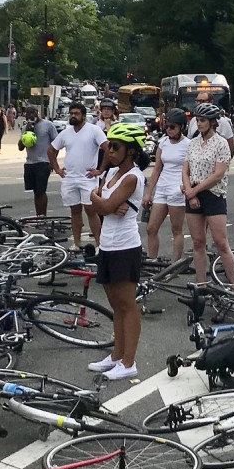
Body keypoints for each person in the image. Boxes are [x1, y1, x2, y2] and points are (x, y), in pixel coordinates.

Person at [87, 123, 150, 381]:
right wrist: (100, 200)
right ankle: (116, 355)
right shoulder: (110, 173)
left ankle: (129, 362)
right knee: (115, 305)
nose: (109, 150)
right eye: (109, 145)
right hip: (108, 245)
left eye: (116, 147)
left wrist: (101, 201)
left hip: (125, 247)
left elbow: (102, 206)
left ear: (131, 151)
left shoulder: (132, 177)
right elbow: (101, 205)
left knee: (127, 305)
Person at [182, 102, 234, 286]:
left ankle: (233, 284)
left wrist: (194, 191)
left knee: (221, 242)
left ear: (213, 122)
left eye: (203, 120)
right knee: (198, 242)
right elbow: (185, 170)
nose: (199, 124)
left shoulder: (221, 144)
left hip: (213, 194)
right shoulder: (193, 143)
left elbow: (218, 174)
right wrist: (190, 192)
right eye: (197, 120)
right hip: (193, 193)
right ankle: (201, 283)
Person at [48, 102, 107, 250]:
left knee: (91, 210)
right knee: (74, 211)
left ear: (84, 116)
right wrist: (57, 168)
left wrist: (100, 170)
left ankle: (100, 244)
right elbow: (51, 150)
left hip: (87, 178)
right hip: (69, 178)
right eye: (71, 113)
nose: (73, 116)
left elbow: (107, 148)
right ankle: (77, 243)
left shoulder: (94, 130)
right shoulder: (66, 132)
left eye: (77, 113)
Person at [143, 108, 189, 261]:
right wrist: (149, 193)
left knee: (176, 229)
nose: (168, 130)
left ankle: (174, 264)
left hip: (177, 189)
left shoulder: (188, 145)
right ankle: (152, 260)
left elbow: (190, 170)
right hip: (162, 188)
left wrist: (186, 187)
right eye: (167, 126)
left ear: (181, 127)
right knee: (151, 228)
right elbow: (157, 169)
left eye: (172, 127)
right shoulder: (163, 143)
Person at [19, 105, 58, 216]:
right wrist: (27, 132)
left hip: (43, 162)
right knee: (36, 192)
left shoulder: (48, 125)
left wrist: (52, 162)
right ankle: (38, 216)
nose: (30, 116)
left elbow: (56, 144)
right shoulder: (25, 128)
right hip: (30, 163)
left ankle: (42, 216)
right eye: (28, 113)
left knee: (41, 191)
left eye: (33, 113)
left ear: (37, 113)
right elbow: (21, 147)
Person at [187, 92, 234, 157]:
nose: (199, 104)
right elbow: (189, 143)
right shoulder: (193, 121)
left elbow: (231, 147)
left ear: (211, 102)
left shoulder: (223, 122)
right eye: (197, 101)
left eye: (202, 101)